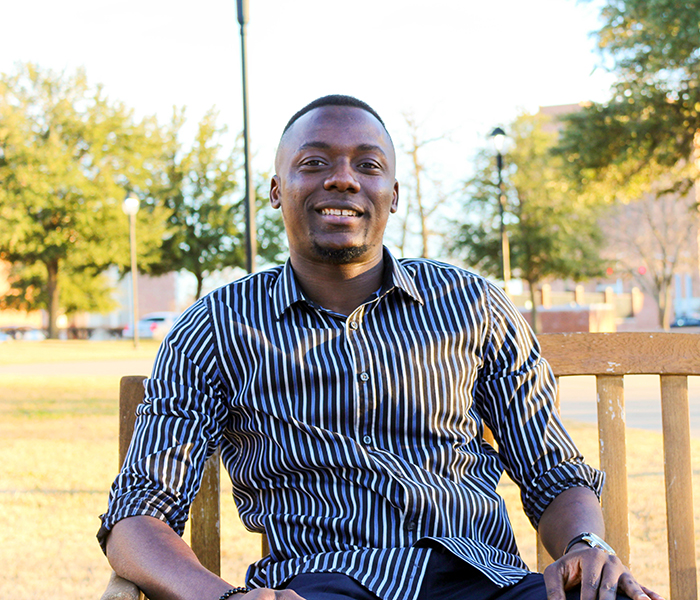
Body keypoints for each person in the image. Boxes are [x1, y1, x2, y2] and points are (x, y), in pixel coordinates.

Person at [99, 95, 662, 600]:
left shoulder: (474, 305)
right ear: (276, 191)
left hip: (484, 580)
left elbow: (552, 471)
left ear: (392, 195)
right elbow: (136, 517)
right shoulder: (217, 328)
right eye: (313, 163)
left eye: (367, 166)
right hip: (322, 582)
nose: (342, 180)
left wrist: (586, 543)